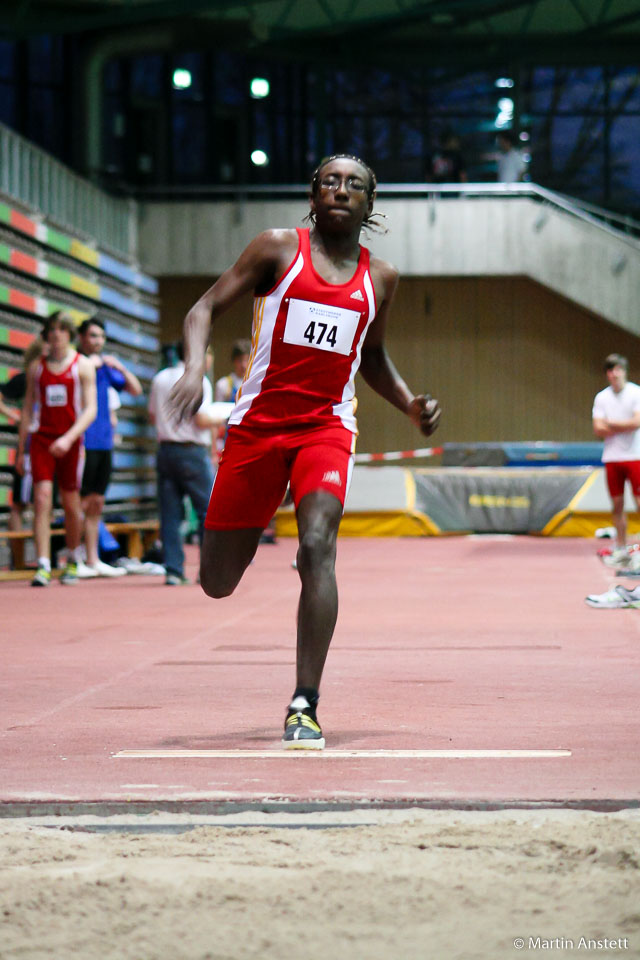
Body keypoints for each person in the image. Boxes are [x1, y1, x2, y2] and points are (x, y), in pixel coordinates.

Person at [169, 153, 441, 750]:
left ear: (372, 204)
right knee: (217, 581)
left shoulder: (382, 278)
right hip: (258, 429)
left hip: (326, 427)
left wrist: (409, 404)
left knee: (319, 545)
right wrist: (193, 368)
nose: (341, 190)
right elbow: (203, 308)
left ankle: (304, 703)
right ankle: (294, 565)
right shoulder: (276, 249)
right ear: (313, 195)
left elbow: (370, 359)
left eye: (355, 185)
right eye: (330, 181)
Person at [17, 311, 97, 586]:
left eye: (61, 329)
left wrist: (69, 437)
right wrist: (20, 449)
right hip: (41, 440)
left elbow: (91, 410)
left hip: (71, 441)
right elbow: (27, 409)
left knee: (71, 504)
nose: (55, 334)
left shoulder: (82, 366)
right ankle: (43, 563)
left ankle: (73, 557)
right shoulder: (36, 368)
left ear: (69, 334)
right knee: (41, 499)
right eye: (51, 329)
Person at [149, 344, 222, 585]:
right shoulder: (199, 379)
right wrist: (225, 416)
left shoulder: (159, 378)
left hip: (166, 450)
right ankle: (209, 570)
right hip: (191, 452)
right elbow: (201, 419)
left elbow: (153, 415)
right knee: (206, 512)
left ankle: (173, 570)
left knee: (170, 513)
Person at [76, 318, 143, 577]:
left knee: (96, 502)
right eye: (93, 336)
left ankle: (93, 559)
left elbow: (135, 389)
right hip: (84, 441)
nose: (97, 341)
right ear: (81, 338)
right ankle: (77, 555)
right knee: (80, 503)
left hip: (104, 442)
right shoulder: (76, 365)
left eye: (101, 337)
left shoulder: (105, 368)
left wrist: (121, 367)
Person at [1, 339, 46, 567]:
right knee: (20, 504)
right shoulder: (27, 378)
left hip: (47, 447)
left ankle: (42, 558)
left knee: (41, 503)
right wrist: (17, 417)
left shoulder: (50, 378)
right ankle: (18, 561)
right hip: (29, 449)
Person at [592, 353, 640, 567]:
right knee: (617, 505)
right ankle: (621, 546)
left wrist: (611, 423)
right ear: (607, 375)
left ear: (624, 371)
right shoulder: (602, 398)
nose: (614, 374)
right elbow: (598, 429)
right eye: (610, 371)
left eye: (618, 369)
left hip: (635, 456)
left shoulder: (636, 393)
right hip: (612, 457)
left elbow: (637, 422)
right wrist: (623, 424)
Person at [215, 339, 251, 404]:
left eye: (247, 360)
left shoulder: (255, 383)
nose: (243, 365)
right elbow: (218, 411)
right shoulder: (223, 384)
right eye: (240, 360)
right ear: (234, 361)